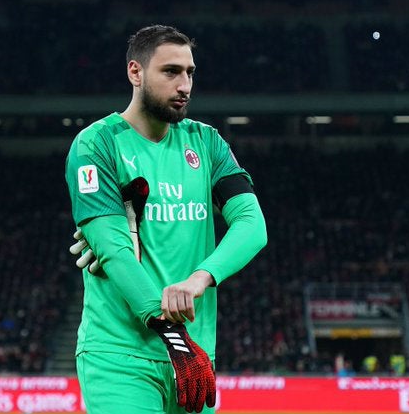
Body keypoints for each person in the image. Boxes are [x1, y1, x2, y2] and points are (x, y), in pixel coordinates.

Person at [65, 24, 267, 414]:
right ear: (135, 72)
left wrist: (199, 278)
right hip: (122, 355)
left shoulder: (206, 143)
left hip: (195, 357)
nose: (185, 85)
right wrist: (173, 335)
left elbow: (252, 225)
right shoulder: (97, 143)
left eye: (190, 72)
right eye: (171, 71)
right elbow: (114, 251)